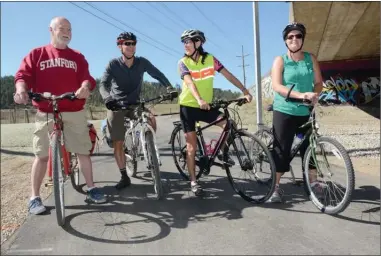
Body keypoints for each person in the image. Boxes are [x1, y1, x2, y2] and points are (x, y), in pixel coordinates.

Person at [13, 16, 107, 215]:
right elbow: (23, 75)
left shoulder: (77, 56)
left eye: (70, 29)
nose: (67, 32)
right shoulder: (37, 53)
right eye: (62, 28)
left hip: (73, 109)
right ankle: (34, 197)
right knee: (41, 155)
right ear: (51, 30)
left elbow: (87, 78)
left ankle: (91, 188)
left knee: (82, 150)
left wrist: (84, 87)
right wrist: (21, 89)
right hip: (45, 110)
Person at [178, 29, 253, 196]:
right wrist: (199, 99)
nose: (185, 45)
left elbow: (228, 75)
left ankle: (219, 152)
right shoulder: (182, 62)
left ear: (199, 42)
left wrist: (244, 90)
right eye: (184, 42)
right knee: (191, 146)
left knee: (229, 124)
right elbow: (189, 83)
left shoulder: (211, 59)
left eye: (188, 41)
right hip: (189, 107)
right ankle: (193, 181)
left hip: (206, 106)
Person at [99, 32, 174, 190]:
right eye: (127, 43)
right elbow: (103, 84)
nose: (131, 46)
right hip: (117, 105)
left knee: (151, 118)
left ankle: (149, 145)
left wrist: (169, 87)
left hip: (135, 105)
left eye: (133, 43)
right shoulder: (113, 64)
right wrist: (108, 98)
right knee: (118, 143)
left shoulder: (141, 62)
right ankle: (124, 176)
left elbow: (157, 74)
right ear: (120, 46)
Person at [268, 22, 323, 203]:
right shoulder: (280, 60)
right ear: (285, 41)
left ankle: (313, 182)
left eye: (298, 36)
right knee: (282, 148)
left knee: (309, 145)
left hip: (306, 110)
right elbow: (277, 86)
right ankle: (275, 186)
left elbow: (318, 82)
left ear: (302, 39)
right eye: (290, 37)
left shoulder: (310, 58)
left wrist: (315, 93)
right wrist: (301, 95)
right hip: (285, 109)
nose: (294, 39)